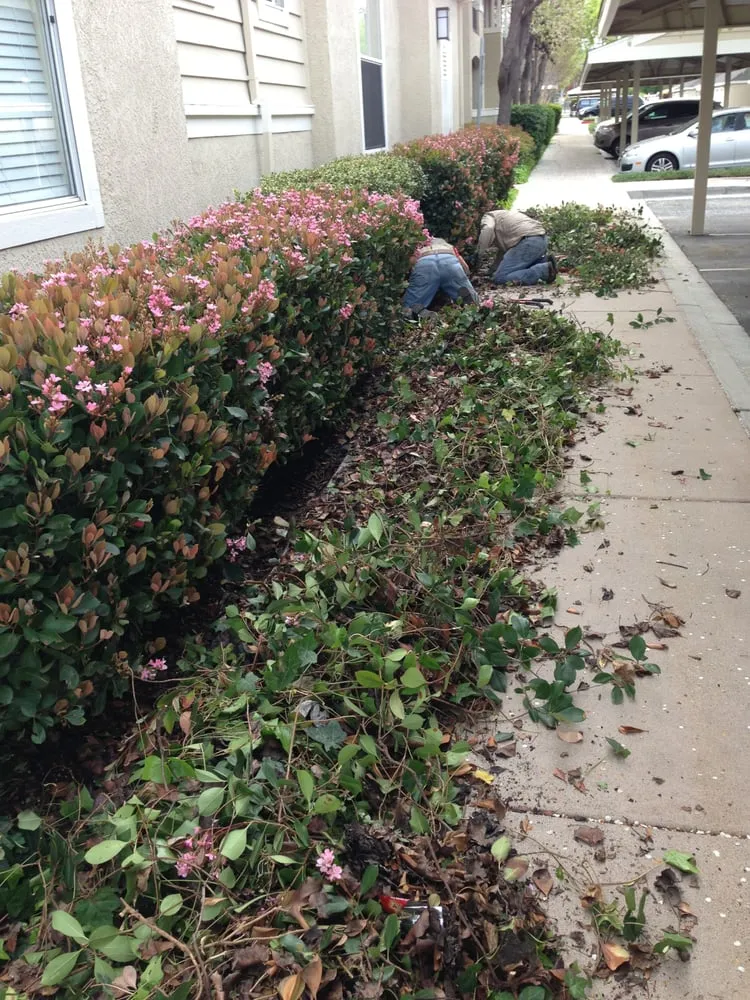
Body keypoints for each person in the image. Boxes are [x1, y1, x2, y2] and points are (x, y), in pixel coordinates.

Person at [403, 237, 479, 317]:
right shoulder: (448, 246)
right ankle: (470, 304)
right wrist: (463, 279)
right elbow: (465, 267)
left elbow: (410, 263)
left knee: (409, 307)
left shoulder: (418, 244)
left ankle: (419, 312)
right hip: (449, 259)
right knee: (471, 300)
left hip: (425, 262)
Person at [478, 209, 557, 286]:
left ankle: (544, 270)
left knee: (500, 278)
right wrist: (491, 271)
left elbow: (487, 229)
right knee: (515, 267)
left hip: (528, 242)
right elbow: (503, 257)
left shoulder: (488, 216)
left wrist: (478, 255)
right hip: (541, 240)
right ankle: (544, 261)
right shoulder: (501, 217)